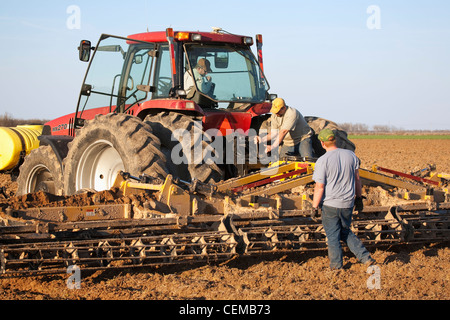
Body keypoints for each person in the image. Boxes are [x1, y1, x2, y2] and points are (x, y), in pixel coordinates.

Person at [312, 128, 375, 270]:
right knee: (345, 231)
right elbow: (357, 180)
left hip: (330, 205)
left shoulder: (322, 161)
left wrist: (315, 206)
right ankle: (365, 257)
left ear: (322, 143)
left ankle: (336, 266)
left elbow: (319, 187)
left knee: (333, 236)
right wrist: (358, 199)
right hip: (348, 203)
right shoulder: (351, 155)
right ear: (335, 139)